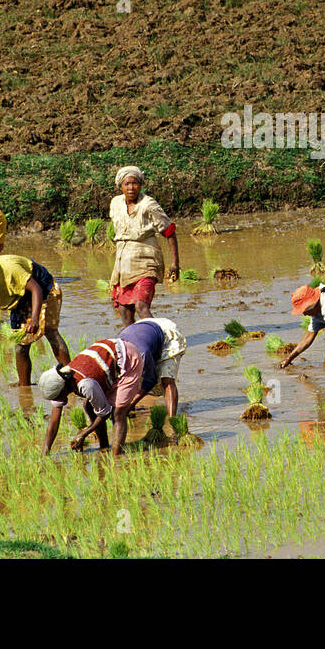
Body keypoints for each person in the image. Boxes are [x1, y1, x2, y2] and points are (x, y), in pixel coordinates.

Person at [0, 247, 69, 385]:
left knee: (50, 332)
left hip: (43, 289)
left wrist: (35, 318)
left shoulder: (11, 270)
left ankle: (71, 377)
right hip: (19, 298)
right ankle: (24, 388)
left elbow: (36, 289)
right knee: (21, 345)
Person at [38, 336, 145, 456]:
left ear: (63, 389)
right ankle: (104, 447)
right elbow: (53, 422)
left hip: (127, 358)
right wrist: (44, 454)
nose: (57, 401)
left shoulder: (86, 384)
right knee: (89, 406)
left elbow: (105, 413)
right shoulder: (61, 378)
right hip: (106, 359)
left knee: (118, 413)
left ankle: (116, 457)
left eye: (57, 397)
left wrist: (83, 434)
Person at [108, 166, 179, 324]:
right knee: (125, 311)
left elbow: (169, 231)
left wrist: (175, 263)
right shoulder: (115, 204)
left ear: (140, 185)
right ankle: (134, 345)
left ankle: (158, 340)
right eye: (127, 184)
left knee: (141, 306)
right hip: (123, 267)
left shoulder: (148, 205)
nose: (131, 188)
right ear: (121, 186)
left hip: (146, 262)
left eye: (135, 183)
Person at [117, 317, 188, 416]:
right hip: (142, 328)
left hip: (167, 333)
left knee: (167, 379)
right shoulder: (117, 351)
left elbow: (150, 381)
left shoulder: (142, 354)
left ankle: (173, 420)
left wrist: (129, 405)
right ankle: (128, 409)